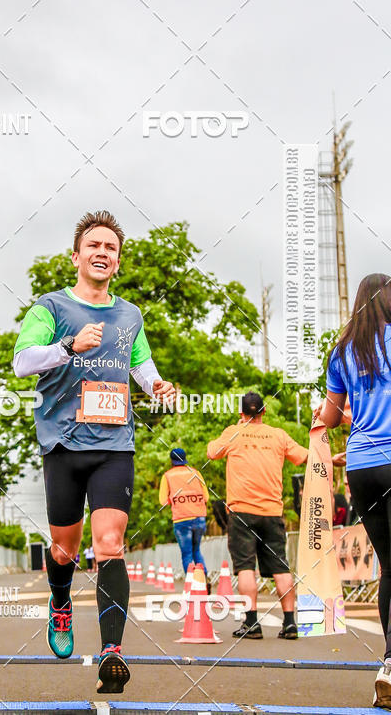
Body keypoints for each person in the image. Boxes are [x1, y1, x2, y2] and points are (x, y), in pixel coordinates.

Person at [13, 210, 175, 693]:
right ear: (76, 256)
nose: (103, 253)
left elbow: (141, 365)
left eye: (111, 249)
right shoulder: (51, 307)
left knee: (109, 544)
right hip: (63, 444)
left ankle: (111, 653)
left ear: (117, 262)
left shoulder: (130, 315)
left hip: (114, 445)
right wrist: (68, 346)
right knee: (64, 548)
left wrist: (157, 386)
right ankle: (60, 603)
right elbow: (22, 362)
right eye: (95, 246)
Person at [320, 273, 391, 709]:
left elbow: (329, 416)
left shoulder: (343, 350)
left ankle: (390, 663)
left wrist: (349, 418)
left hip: (363, 466)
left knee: (389, 567)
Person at [206, 391, 308, 640]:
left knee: (245, 567)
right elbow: (304, 456)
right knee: (281, 567)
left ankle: (252, 623)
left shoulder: (233, 432)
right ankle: (290, 623)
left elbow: (212, 452)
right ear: (264, 411)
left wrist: (238, 427)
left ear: (242, 413)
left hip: (241, 512)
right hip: (272, 512)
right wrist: (331, 459)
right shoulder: (278, 435)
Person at [159, 448, 208, 576]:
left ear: (171, 460)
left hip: (181, 520)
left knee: (187, 554)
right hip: (199, 518)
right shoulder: (196, 473)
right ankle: (203, 579)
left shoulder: (167, 476)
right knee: (196, 551)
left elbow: (162, 501)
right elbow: (206, 497)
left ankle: (191, 583)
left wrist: (174, 500)